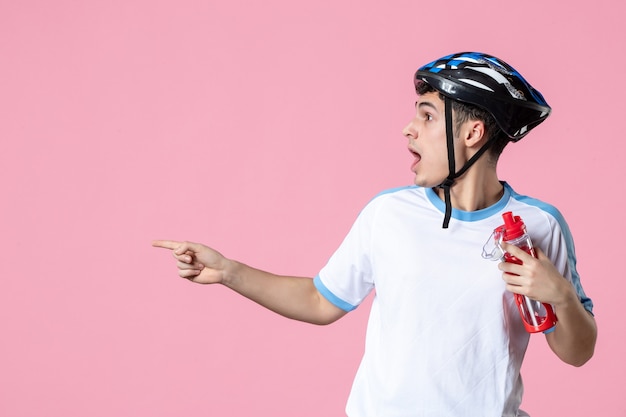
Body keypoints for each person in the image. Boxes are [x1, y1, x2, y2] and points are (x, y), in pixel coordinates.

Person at [153, 52, 597, 416]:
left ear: (472, 133)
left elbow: (577, 352)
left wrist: (560, 295)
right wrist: (229, 271)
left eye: (426, 116)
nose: (408, 128)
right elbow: (320, 301)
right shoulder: (388, 214)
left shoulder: (538, 225)